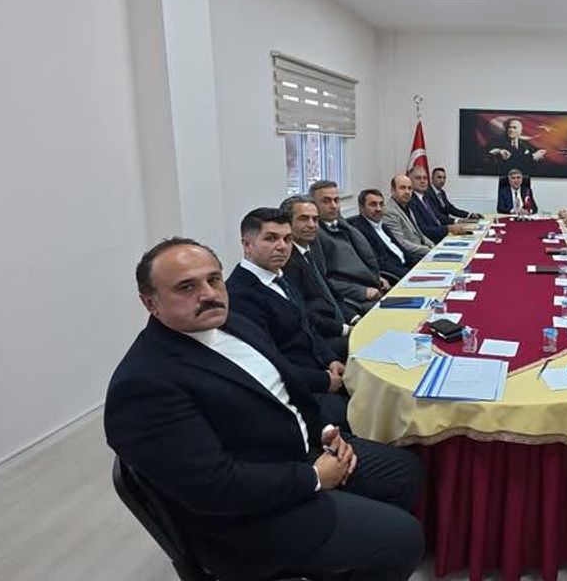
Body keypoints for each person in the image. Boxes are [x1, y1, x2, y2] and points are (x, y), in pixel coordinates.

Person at [105, 238, 424, 581]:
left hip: (299, 452)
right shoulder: (144, 384)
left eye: (213, 279)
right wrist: (314, 477)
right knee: (403, 539)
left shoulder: (232, 323)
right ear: (150, 303)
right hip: (249, 518)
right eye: (186, 287)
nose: (209, 294)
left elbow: (289, 393)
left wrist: (326, 433)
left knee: (406, 471)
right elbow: (214, 488)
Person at [225, 208, 349, 427]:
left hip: (319, 368)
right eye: (271, 238)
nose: (282, 246)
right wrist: (324, 380)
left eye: (287, 239)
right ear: (247, 244)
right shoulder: (240, 294)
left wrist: (331, 359)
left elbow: (307, 326)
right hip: (297, 393)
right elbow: (269, 364)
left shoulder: (279, 275)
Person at [281, 195, 356, 360]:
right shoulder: (286, 262)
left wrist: (354, 317)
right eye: (303, 219)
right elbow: (305, 314)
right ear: (287, 223)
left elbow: (331, 292)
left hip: (337, 321)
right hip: (319, 338)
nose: (311, 225)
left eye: (315, 219)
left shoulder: (311, 249)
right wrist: (345, 329)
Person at [311, 180, 388, 314]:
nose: (333, 206)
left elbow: (361, 259)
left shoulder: (343, 225)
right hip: (355, 300)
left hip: (374, 285)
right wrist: (362, 292)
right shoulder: (314, 235)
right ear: (313, 204)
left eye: (336, 200)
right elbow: (321, 280)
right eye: (326, 201)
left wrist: (377, 277)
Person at [349, 188, 418, 279]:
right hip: (396, 276)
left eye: (381, 204)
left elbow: (401, 249)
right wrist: (410, 274)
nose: (379, 209)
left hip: (407, 268)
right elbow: (380, 264)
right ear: (361, 208)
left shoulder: (381, 225)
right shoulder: (359, 231)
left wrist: (420, 265)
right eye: (373, 204)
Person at [407, 166, 470, 242]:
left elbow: (438, 216)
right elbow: (423, 230)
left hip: (442, 235)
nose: (422, 181)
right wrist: (449, 228)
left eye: (425, 178)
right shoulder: (410, 201)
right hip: (431, 242)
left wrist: (458, 221)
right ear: (409, 180)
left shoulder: (426, 197)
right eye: (418, 178)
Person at [382, 174, 435, 259]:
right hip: (410, 257)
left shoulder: (407, 207)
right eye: (402, 188)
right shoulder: (389, 211)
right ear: (393, 190)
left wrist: (432, 245)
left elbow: (419, 234)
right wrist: (429, 250)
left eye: (410, 188)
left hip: (422, 252)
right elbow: (400, 242)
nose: (407, 192)